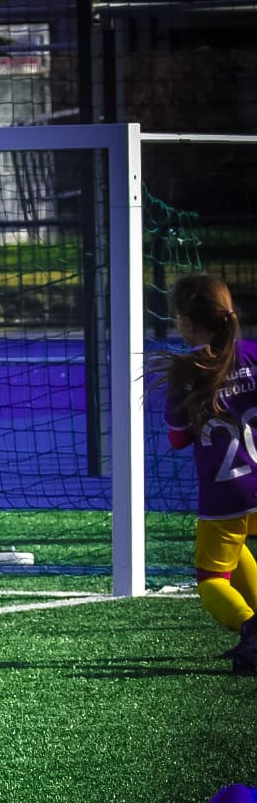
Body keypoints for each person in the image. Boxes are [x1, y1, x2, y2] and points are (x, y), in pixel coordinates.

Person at [153, 273, 257, 675]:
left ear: (186, 322)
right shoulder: (252, 354)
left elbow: (178, 439)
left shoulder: (186, 373)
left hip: (224, 495)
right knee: (236, 547)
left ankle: (249, 627)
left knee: (212, 579)